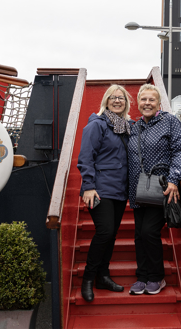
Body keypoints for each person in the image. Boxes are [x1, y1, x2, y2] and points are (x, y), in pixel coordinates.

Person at [128, 84, 181, 295]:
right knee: (138, 235)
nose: (147, 103)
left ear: (158, 103)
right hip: (138, 188)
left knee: (149, 232)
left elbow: (180, 151)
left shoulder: (169, 121)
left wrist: (174, 180)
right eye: (143, 100)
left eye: (151, 100)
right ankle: (142, 277)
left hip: (162, 188)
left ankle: (156, 277)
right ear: (138, 103)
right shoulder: (133, 126)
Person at [77, 84, 132, 302]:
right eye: (113, 97)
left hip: (120, 189)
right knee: (105, 232)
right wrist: (88, 185)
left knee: (111, 235)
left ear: (126, 103)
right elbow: (86, 157)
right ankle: (88, 278)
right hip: (99, 189)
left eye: (121, 98)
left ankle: (103, 275)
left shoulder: (128, 126)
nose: (117, 100)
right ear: (106, 101)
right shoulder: (97, 125)